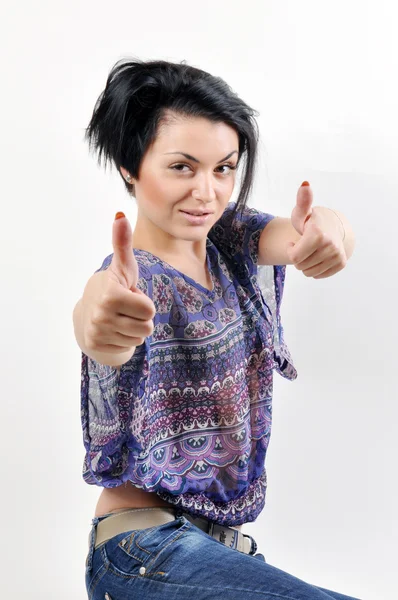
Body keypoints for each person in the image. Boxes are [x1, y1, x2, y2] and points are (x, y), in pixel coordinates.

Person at [73, 57, 359, 599]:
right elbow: (96, 316)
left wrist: (330, 229)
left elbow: (295, 235)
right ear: (131, 168)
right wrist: (100, 320)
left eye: (224, 168)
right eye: (182, 167)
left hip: (223, 552)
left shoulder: (229, 240)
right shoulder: (128, 283)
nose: (207, 191)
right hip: (143, 551)